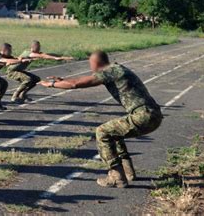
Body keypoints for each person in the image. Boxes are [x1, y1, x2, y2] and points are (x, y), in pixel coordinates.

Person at [39, 50, 163, 188]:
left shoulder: (110, 72)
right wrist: (63, 81)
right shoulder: (116, 69)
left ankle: (116, 177)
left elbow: (76, 84)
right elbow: (80, 80)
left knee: (102, 132)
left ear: (95, 63)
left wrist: (51, 84)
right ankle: (128, 172)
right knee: (115, 134)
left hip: (144, 116)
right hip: (152, 114)